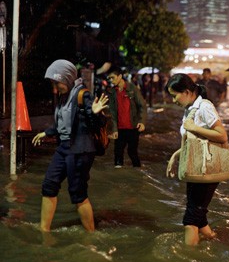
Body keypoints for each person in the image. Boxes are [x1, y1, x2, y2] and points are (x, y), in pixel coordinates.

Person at [32, 59, 109, 232]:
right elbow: (62, 123)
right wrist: (47, 133)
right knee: (49, 185)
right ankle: (44, 231)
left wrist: (96, 114)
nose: (54, 88)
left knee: (78, 193)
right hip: (63, 148)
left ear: (66, 78)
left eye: (56, 83)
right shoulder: (62, 95)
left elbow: (97, 124)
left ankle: (91, 237)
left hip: (80, 150)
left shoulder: (83, 95)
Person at [165, 73, 228, 246]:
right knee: (198, 216)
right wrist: (175, 155)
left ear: (186, 91)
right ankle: (216, 242)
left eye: (174, 95)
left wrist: (194, 128)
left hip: (207, 168)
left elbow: (222, 136)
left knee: (190, 219)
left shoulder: (204, 107)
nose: (173, 100)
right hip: (196, 167)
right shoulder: (190, 109)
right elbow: (193, 142)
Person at [107, 66, 147, 168]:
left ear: (120, 76)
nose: (111, 80)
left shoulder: (132, 88)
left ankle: (138, 176)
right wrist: (114, 129)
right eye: (109, 79)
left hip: (133, 127)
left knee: (132, 152)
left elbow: (142, 106)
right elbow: (113, 113)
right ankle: (118, 180)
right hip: (120, 129)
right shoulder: (112, 92)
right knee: (118, 154)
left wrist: (142, 122)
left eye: (113, 77)